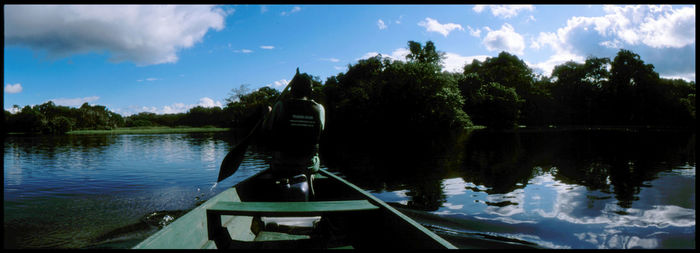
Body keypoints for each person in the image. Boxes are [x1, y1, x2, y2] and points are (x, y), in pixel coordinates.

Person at [262, 69, 325, 201]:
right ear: (310, 90)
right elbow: (321, 129)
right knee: (316, 159)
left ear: (292, 90)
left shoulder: (280, 106)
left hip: (281, 165)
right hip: (309, 165)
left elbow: (266, 130)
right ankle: (309, 181)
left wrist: (268, 115)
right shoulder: (319, 109)